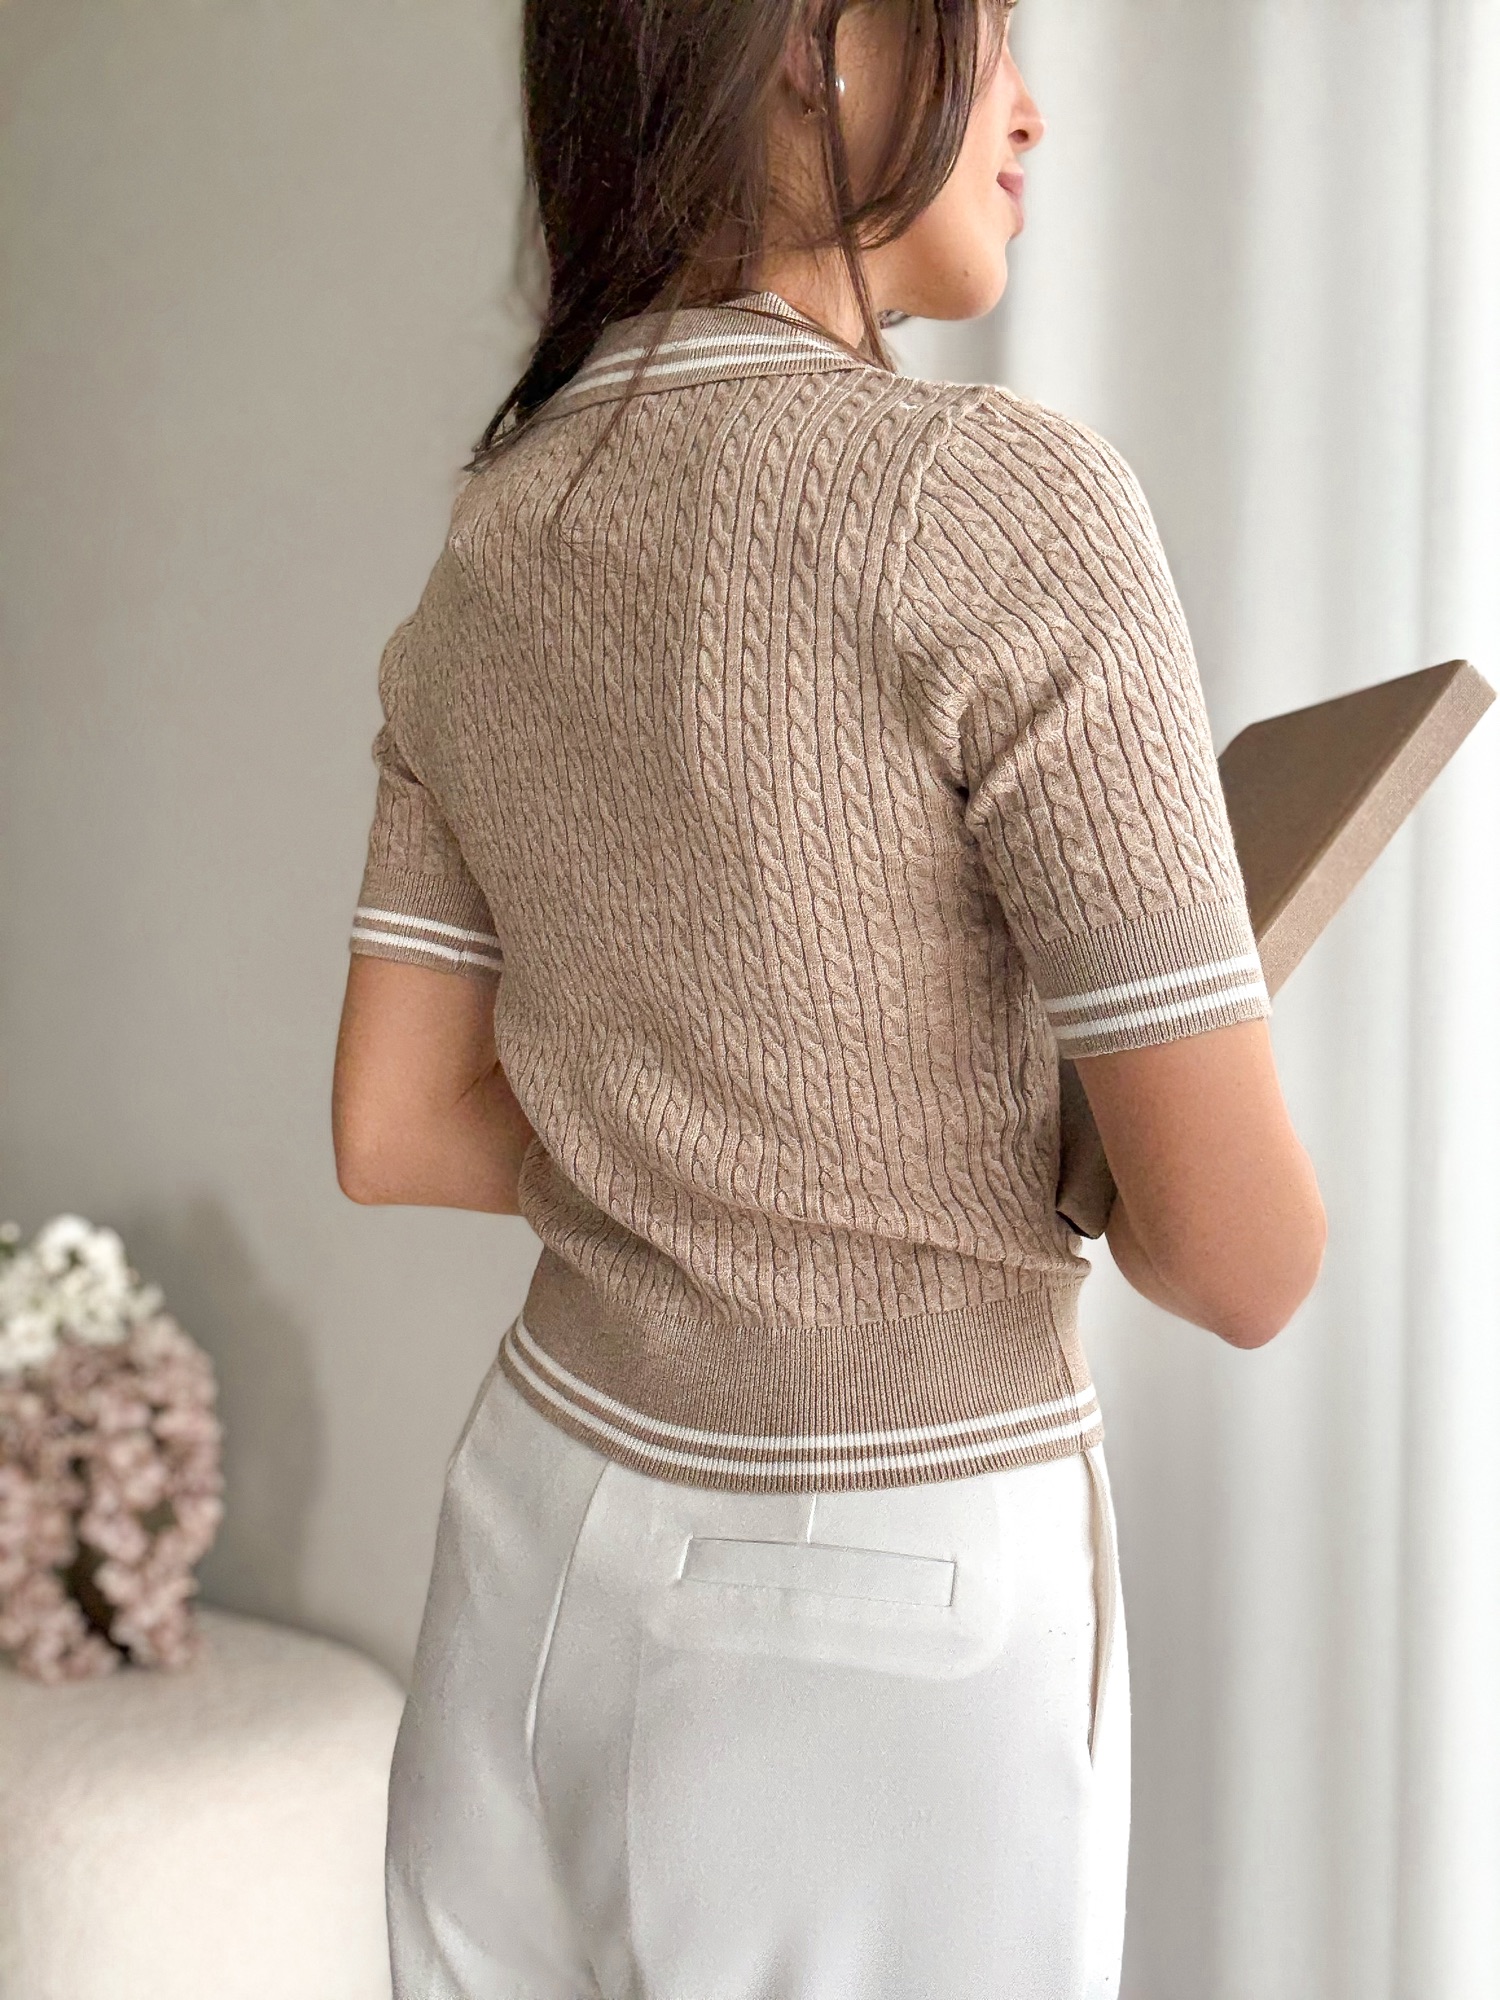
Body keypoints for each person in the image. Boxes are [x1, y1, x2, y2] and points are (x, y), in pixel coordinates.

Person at [331, 0, 1327, 1993]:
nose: (1029, 114)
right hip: (879, 1608)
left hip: (533, 1537)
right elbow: (1242, 1261)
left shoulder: (501, 530)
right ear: (812, 37)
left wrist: (720, 1119)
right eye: (994, 32)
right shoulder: (993, 500)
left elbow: (399, 1124)